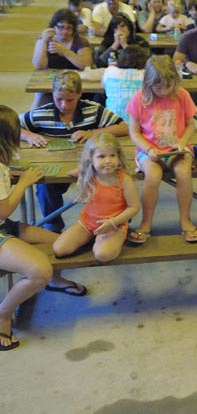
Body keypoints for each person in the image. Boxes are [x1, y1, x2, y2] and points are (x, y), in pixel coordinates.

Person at [0, 106, 88, 350]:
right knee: (40, 270)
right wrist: (24, 182)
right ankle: (3, 314)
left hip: (4, 226)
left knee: (59, 242)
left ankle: (55, 281)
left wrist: (13, 176)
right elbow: (3, 210)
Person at [20, 71, 128, 233]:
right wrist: (28, 135)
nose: (64, 105)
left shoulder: (93, 110)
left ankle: (116, 221)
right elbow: (13, 126)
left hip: (92, 167)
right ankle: (53, 223)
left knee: (114, 178)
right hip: (57, 167)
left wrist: (93, 133)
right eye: (59, 99)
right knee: (44, 186)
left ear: (80, 94)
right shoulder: (42, 113)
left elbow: (123, 127)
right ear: (52, 94)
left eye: (70, 100)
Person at [126, 56, 197, 244]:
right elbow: (134, 133)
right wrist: (149, 149)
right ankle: (146, 223)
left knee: (183, 173)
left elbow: (191, 125)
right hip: (149, 150)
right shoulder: (139, 99)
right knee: (153, 176)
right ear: (149, 84)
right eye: (158, 88)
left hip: (177, 149)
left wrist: (182, 143)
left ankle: (185, 220)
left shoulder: (182, 95)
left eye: (168, 86)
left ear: (175, 82)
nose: (164, 91)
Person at [51, 134, 139, 263]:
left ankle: (116, 237)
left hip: (114, 225)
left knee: (102, 255)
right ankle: (94, 238)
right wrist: (78, 173)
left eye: (112, 155)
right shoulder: (89, 173)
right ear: (90, 159)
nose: (108, 160)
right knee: (59, 249)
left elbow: (134, 207)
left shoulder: (124, 180)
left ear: (119, 156)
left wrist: (112, 222)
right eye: (101, 156)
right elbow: (79, 171)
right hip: (87, 223)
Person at [32, 9, 93, 78]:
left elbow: (86, 65)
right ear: (54, 27)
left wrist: (65, 51)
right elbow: (39, 66)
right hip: (50, 78)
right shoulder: (44, 39)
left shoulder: (80, 41)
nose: (65, 32)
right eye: (61, 27)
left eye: (69, 28)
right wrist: (43, 41)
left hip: (74, 79)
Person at [102, 44, 148, 123]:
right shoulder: (147, 74)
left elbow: (103, 86)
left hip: (112, 122)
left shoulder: (111, 71)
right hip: (140, 123)